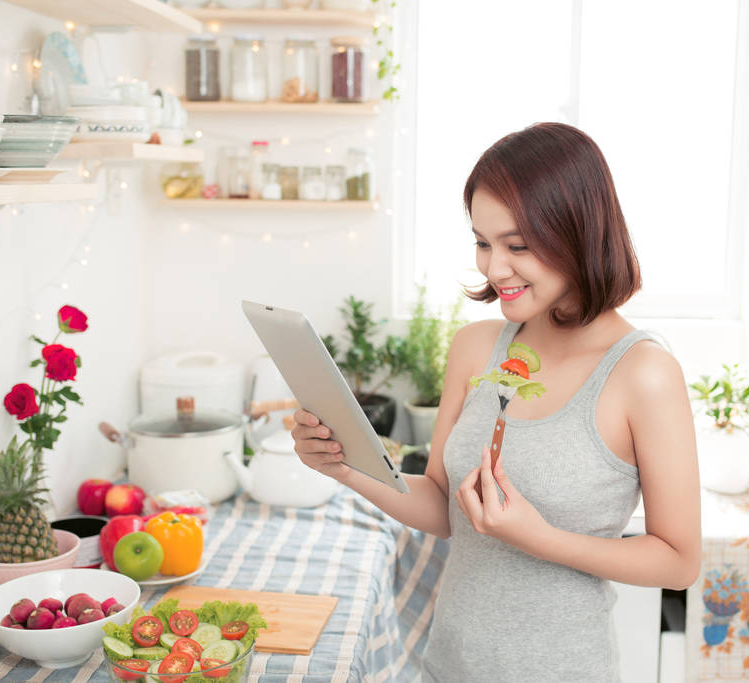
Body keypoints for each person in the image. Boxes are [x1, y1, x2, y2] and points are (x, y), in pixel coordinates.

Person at [291, 122, 701, 682]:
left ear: (578, 233)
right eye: (483, 243)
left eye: (518, 245)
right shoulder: (476, 347)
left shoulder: (644, 374)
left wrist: (540, 538)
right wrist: (343, 466)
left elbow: (678, 560)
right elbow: (442, 506)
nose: (493, 267)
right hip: (450, 665)